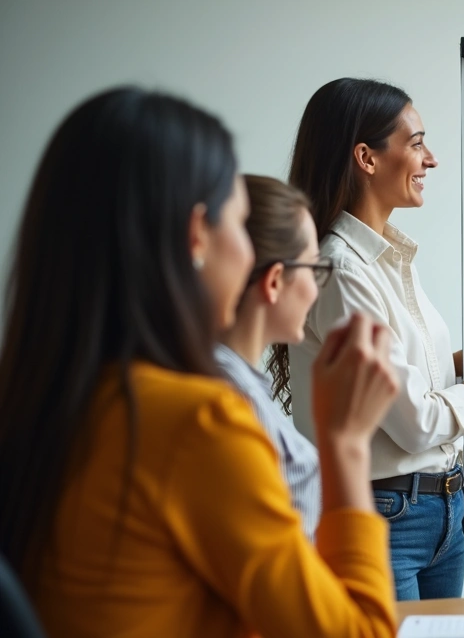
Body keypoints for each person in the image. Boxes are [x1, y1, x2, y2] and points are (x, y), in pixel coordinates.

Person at [0, 87, 400, 637]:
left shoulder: (45, 396)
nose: (251, 250)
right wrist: (346, 443)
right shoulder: (195, 423)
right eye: (238, 222)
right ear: (197, 236)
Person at [287, 78, 464, 600]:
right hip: (386, 519)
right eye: (417, 142)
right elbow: (413, 422)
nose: (432, 160)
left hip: (441, 512)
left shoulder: (389, 260)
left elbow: (410, 379)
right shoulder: (343, 269)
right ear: (367, 158)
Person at [215, 175, 332, 541]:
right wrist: (347, 443)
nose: (316, 289)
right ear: (275, 280)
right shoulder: (229, 405)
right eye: (314, 269)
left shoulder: (235, 386)